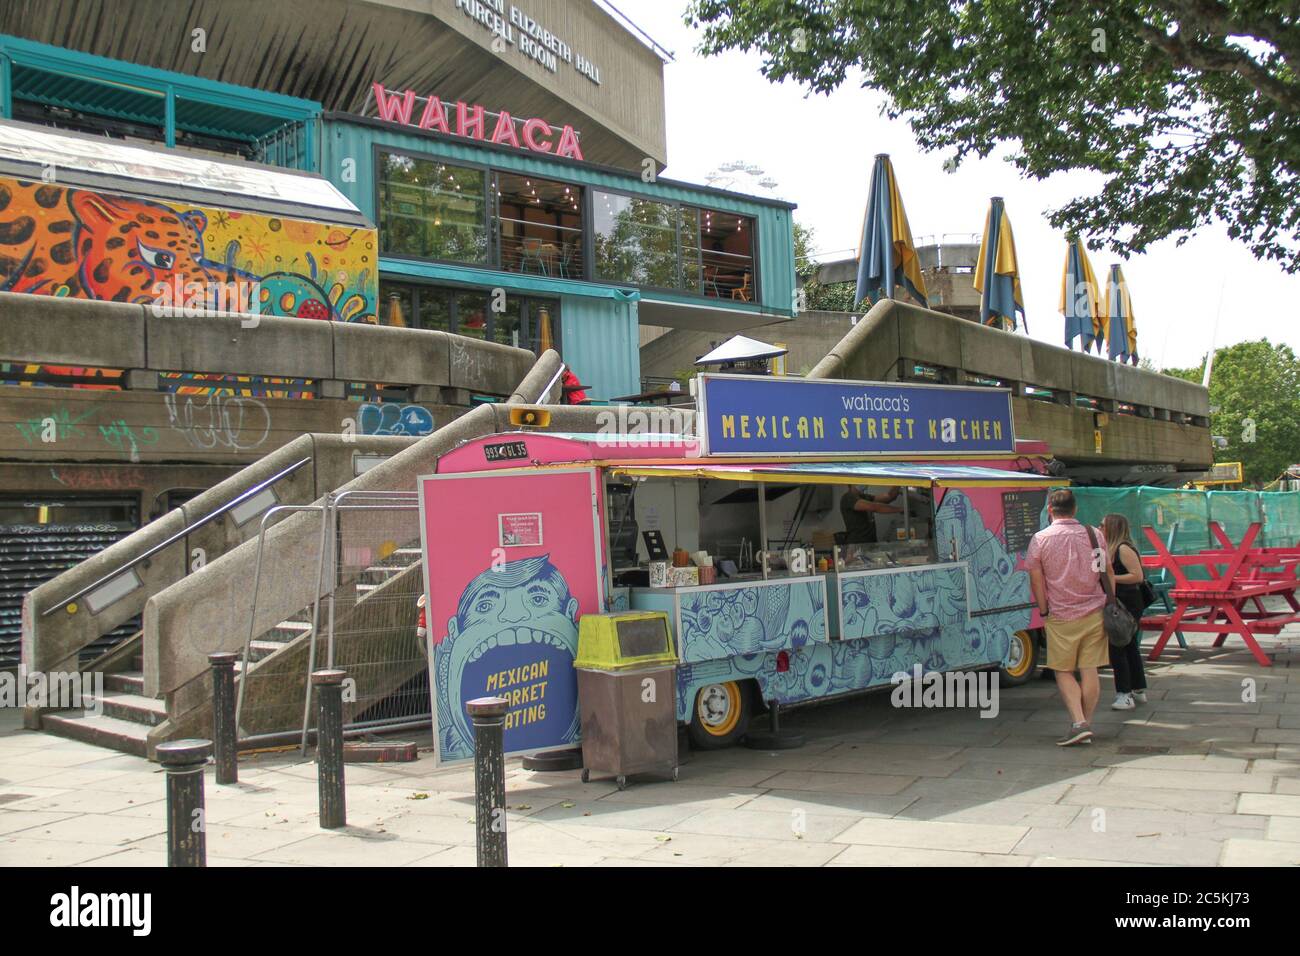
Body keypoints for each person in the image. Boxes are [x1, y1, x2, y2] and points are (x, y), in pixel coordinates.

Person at [1025, 488, 1112, 746]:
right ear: (1075, 509)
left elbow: (1036, 578)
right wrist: (1110, 603)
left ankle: (1078, 722)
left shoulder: (1040, 539)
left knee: (1063, 671)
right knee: (1090, 669)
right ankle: (1087, 722)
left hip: (1061, 614)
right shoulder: (1094, 534)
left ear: (1050, 510)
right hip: (1095, 610)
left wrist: (1043, 610)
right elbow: (1106, 570)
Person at [1101, 513, 1150, 710]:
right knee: (1129, 646)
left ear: (1112, 527)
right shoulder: (1112, 549)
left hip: (1127, 602)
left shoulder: (1123, 548)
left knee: (1117, 646)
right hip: (1124, 601)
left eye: (1103, 525)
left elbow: (1137, 576)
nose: (1100, 528)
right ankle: (1138, 688)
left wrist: (1111, 578)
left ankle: (1124, 693)